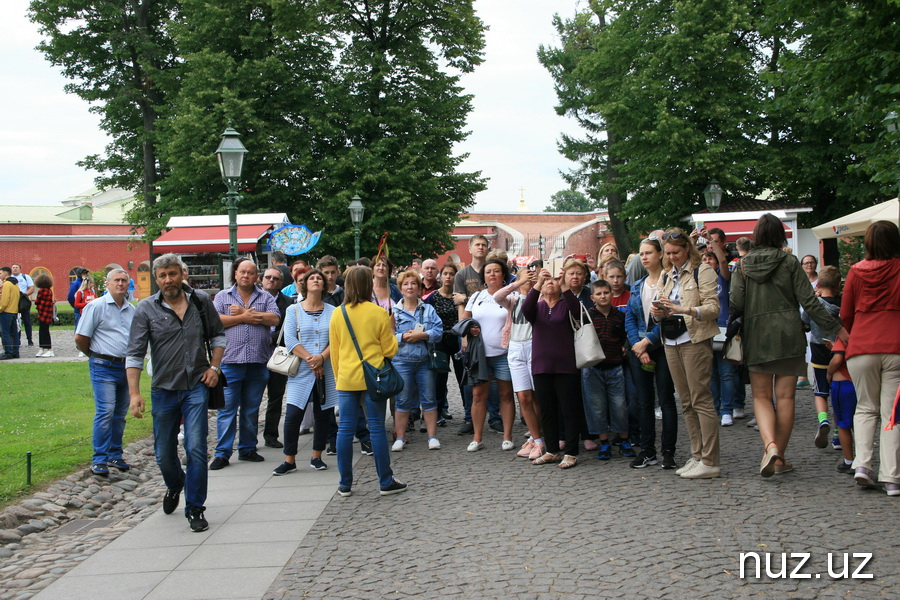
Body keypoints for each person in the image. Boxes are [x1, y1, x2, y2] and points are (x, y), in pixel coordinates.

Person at [731, 214, 848, 478]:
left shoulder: (743, 265)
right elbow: (810, 302)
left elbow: (736, 303)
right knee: (785, 397)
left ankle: (770, 446)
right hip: (788, 335)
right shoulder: (790, 262)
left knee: (761, 397)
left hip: (757, 335)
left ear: (756, 235)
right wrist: (838, 329)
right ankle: (780, 457)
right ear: (779, 235)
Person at [127, 253, 225, 532]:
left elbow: (218, 336)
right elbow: (134, 354)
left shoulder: (201, 301)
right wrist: (135, 394)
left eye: (172, 274)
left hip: (196, 385)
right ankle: (174, 484)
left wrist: (214, 368)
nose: (168, 280)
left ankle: (195, 507)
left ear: (182, 274)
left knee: (195, 447)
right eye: (163, 276)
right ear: (156, 279)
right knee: (163, 452)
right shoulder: (145, 309)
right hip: (163, 389)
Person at [329, 266, 406, 497]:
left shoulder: (337, 313)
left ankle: (344, 483)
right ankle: (385, 480)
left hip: (346, 377)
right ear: (367, 285)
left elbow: (335, 352)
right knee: (377, 429)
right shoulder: (378, 313)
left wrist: (339, 378)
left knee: (345, 430)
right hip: (375, 377)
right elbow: (390, 350)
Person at [650, 228, 721, 479]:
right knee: (686, 401)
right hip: (671, 340)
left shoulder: (703, 271)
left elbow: (713, 309)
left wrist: (683, 309)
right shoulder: (667, 274)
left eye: (676, 252)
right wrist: (658, 313)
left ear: (687, 249)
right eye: (668, 253)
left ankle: (710, 460)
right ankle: (697, 455)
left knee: (701, 399)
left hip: (695, 338)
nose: (672, 257)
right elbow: (659, 307)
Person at [840, 220, 900, 496]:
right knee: (892, 414)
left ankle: (862, 466)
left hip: (862, 346)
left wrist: (857, 333)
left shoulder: (855, 271)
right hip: (896, 345)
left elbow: (846, 313)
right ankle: (892, 477)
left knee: (865, 408)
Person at [210, 258, 280, 469]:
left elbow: (275, 319)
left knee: (251, 409)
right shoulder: (223, 296)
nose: (246, 276)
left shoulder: (265, 296)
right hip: (231, 361)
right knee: (227, 409)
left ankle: (248, 448)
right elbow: (215, 321)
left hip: (258, 362)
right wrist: (245, 318)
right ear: (236, 274)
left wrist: (242, 313)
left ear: (256, 276)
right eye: (243, 272)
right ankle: (222, 453)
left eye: (250, 273)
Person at [273, 269, 338, 474]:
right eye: (312, 278)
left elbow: (336, 340)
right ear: (305, 284)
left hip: (325, 369)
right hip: (301, 369)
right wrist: (311, 360)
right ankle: (289, 459)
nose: (316, 280)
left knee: (323, 414)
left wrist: (321, 358)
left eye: (320, 278)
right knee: (293, 415)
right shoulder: (294, 310)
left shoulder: (333, 310)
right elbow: (290, 340)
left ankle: (317, 455)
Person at [75, 269, 135, 476]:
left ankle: (115, 454)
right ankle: (99, 458)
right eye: (116, 280)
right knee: (106, 411)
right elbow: (80, 337)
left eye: (124, 281)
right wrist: (93, 355)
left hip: (125, 367)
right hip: (103, 366)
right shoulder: (96, 307)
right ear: (107, 284)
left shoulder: (131, 310)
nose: (120, 284)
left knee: (119, 414)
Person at [522, 267, 583, 468]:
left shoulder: (566, 305)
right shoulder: (537, 307)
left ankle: (572, 452)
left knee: (569, 409)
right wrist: (538, 283)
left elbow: (577, 311)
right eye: (548, 281)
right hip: (541, 365)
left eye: (554, 280)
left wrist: (564, 284)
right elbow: (526, 309)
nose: (551, 283)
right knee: (547, 410)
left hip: (565, 366)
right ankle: (551, 450)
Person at [626, 236, 678, 470]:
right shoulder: (637, 286)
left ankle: (669, 452)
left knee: (666, 400)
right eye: (641, 253)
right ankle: (648, 451)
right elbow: (630, 318)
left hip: (665, 346)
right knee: (644, 402)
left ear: (660, 254)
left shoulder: (670, 283)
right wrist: (638, 345)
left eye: (648, 252)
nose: (644, 257)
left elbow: (671, 318)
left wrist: (648, 342)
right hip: (640, 350)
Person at [461, 259, 516, 452]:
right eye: (488, 271)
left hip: (504, 353)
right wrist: (470, 331)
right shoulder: (477, 296)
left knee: (506, 394)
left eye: (496, 271)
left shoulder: (512, 295)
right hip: (480, 354)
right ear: (483, 276)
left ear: (504, 275)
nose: (492, 274)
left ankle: (507, 436)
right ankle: (477, 437)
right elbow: (465, 320)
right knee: (478, 395)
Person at [493, 267, 544, 459]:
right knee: (523, 396)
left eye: (532, 276)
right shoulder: (513, 299)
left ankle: (537, 436)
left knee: (536, 394)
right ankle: (536, 438)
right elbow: (497, 296)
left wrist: (537, 285)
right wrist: (518, 283)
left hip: (534, 346)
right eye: (526, 276)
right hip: (515, 347)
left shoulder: (539, 298)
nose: (529, 279)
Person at [390, 271, 443, 451]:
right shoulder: (394, 312)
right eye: (406, 284)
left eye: (413, 284)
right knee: (402, 400)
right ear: (400, 288)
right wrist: (402, 337)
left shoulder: (428, 309)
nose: (410, 287)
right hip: (401, 361)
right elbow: (387, 337)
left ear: (419, 288)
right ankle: (400, 437)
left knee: (429, 399)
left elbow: (438, 331)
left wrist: (424, 335)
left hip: (424, 361)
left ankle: (432, 436)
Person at [585, 279, 634, 461]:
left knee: (619, 405)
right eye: (598, 294)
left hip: (615, 366)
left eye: (606, 293)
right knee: (596, 406)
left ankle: (624, 439)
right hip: (593, 368)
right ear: (592, 297)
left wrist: (624, 347)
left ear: (611, 294)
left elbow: (625, 336)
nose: (603, 296)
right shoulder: (587, 317)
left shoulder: (619, 316)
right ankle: (603, 441)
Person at [800, 266, 842, 448]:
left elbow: (805, 324)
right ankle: (838, 433)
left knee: (820, 392)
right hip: (840, 352)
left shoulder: (814, 305)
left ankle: (823, 420)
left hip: (818, 351)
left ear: (820, 284)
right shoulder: (843, 304)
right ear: (838, 285)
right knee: (838, 394)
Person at [701, 250, 736, 427]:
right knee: (711, 373)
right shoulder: (698, 278)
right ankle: (713, 408)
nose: (707, 261)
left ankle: (727, 410)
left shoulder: (723, 277)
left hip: (724, 328)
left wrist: (712, 243)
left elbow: (723, 260)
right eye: (704, 258)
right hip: (705, 329)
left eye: (710, 258)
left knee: (726, 373)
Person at [260, 267, 293, 448]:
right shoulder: (253, 299)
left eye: (276, 278)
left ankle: (271, 435)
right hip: (257, 354)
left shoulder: (287, 303)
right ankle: (248, 438)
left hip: (278, 354)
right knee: (252, 398)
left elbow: (291, 326)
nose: (271, 280)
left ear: (281, 283)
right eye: (268, 277)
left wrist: (273, 337)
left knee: (275, 396)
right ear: (262, 279)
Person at [426, 263, 463, 422]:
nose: (448, 277)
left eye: (452, 274)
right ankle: (438, 412)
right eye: (445, 273)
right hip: (439, 341)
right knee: (439, 379)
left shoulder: (459, 296)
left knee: (463, 377)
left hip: (457, 340)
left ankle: (469, 413)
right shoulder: (433, 297)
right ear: (440, 276)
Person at [827, 338, 857, 475]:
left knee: (843, 424)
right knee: (862, 420)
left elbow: (838, 359)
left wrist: (829, 372)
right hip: (861, 381)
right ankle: (863, 460)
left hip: (843, 383)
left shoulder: (844, 335)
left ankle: (849, 461)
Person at [0, 267, 21, 360]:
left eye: (0, 273)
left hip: (6, 312)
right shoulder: (15, 284)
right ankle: (15, 352)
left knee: (5, 333)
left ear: (6, 274)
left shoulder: (7, 284)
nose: (0, 275)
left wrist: (1, 309)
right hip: (14, 311)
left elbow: (5, 300)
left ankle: (8, 352)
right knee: (14, 333)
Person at [11, 264, 34, 347]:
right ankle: (17, 339)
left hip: (24, 302)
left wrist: (24, 295)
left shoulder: (25, 277)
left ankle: (29, 339)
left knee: (27, 321)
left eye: (16, 267)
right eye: (13, 268)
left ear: (20, 269)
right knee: (16, 321)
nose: (15, 269)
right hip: (13, 302)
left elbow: (31, 288)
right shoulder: (10, 278)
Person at [34, 273, 55, 357]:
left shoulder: (41, 291)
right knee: (44, 331)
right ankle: (43, 347)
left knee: (43, 332)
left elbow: (37, 301)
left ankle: (48, 348)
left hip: (43, 313)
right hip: (47, 313)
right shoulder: (49, 290)